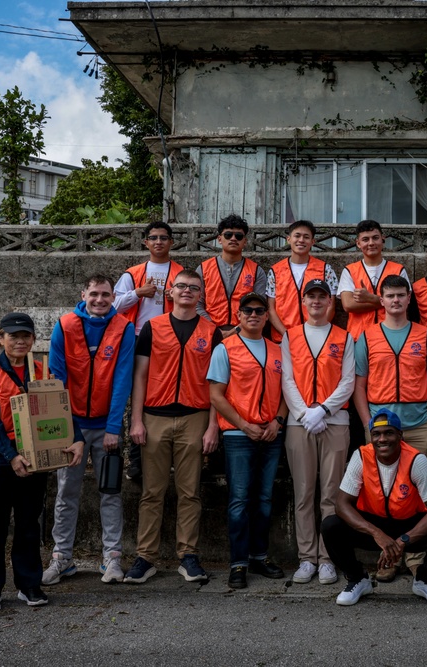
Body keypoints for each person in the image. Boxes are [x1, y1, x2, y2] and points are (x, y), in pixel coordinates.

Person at [0, 312, 83, 613]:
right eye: (13, 336)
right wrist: (11, 455)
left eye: (25, 336)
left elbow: (60, 410)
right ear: (1, 338)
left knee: (29, 522)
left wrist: (77, 438)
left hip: (34, 456)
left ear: (33, 339)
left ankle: (29, 584)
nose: (20, 341)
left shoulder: (42, 372)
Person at [125, 270, 221, 585]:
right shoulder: (153, 327)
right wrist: (136, 420)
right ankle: (145, 557)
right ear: (171, 292)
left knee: (190, 491)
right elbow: (139, 376)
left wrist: (213, 426)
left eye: (194, 287)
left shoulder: (211, 331)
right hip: (155, 415)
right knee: (152, 491)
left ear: (201, 294)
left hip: (195, 416)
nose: (187, 291)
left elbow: (216, 383)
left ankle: (188, 555)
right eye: (181, 286)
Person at [43, 275, 135, 586]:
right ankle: (62, 557)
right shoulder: (65, 325)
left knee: (110, 491)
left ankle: (112, 557)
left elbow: (123, 379)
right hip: (73, 426)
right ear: (83, 294)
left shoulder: (124, 327)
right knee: (66, 492)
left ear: (113, 297)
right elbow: (58, 380)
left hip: (106, 426)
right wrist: (72, 432)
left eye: (105, 294)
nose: (99, 300)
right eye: (94, 294)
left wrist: (113, 427)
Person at [320, 409, 427, 607]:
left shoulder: (416, 460)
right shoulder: (361, 456)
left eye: (389, 433)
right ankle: (357, 579)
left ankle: (426, 580)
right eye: (376, 434)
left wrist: (404, 540)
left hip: (408, 525)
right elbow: (342, 505)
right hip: (373, 524)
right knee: (330, 525)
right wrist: (376, 533)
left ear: (400, 435)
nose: (382, 439)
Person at [353, 273, 427, 583]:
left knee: (419, 495)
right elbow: (359, 385)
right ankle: (388, 557)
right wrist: (367, 423)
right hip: (380, 428)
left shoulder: (424, 334)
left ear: (408, 299)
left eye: (400, 295)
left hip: (418, 424)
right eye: (390, 296)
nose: (395, 300)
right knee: (383, 493)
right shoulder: (367, 337)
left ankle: (415, 557)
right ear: (382, 300)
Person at [208, 292, 290, 589]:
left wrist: (278, 421)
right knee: (240, 499)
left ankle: (259, 556)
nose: (253, 315)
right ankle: (238, 563)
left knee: (264, 498)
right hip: (238, 434)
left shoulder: (278, 350)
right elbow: (216, 395)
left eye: (259, 310)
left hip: (271, 432)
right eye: (248, 310)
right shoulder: (225, 349)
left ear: (267, 316)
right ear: (239, 315)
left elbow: (287, 392)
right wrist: (243, 425)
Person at [279, 279, 355, 586]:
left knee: (332, 494)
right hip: (299, 424)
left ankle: (327, 558)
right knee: (303, 493)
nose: (316, 301)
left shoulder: (343, 336)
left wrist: (322, 410)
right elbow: (286, 379)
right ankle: (307, 557)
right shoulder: (290, 335)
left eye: (322, 296)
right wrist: (303, 413)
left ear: (329, 302)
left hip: (335, 422)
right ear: (303, 301)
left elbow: (348, 381)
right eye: (311, 296)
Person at [113, 220, 184, 482]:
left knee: (166, 390)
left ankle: (166, 454)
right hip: (136, 337)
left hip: (170, 338)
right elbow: (112, 306)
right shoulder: (132, 274)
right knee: (136, 394)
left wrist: (176, 296)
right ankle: (136, 460)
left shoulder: (180, 272)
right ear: (146, 242)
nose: (158, 242)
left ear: (171, 242)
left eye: (163, 238)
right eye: (153, 238)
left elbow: (196, 300)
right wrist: (137, 293)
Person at [267, 219, 338, 344]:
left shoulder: (325, 270)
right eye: (297, 236)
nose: (301, 240)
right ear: (289, 239)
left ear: (313, 242)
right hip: (283, 339)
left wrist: (315, 332)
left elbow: (331, 306)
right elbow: (271, 309)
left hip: (317, 338)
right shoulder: (275, 271)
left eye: (306, 237)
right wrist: (287, 335)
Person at [338, 219, 410, 342]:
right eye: (365, 239)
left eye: (375, 238)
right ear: (358, 243)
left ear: (383, 239)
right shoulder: (350, 270)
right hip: (359, 337)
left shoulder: (398, 270)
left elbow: (405, 303)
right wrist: (387, 303)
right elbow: (348, 305)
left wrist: (369, 298)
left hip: (391, 337)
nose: (371, 243)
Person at [197, 214, 268, 336]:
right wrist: (214, 330)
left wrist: (235, 331)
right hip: (209, 331)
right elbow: (196, 305)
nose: (233, 239)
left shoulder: (256, 271)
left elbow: (260, 308)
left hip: (245, 332)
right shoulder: (204, 269)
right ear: (220, 239)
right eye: (228, 235)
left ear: (245, 241)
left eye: (238, 236)